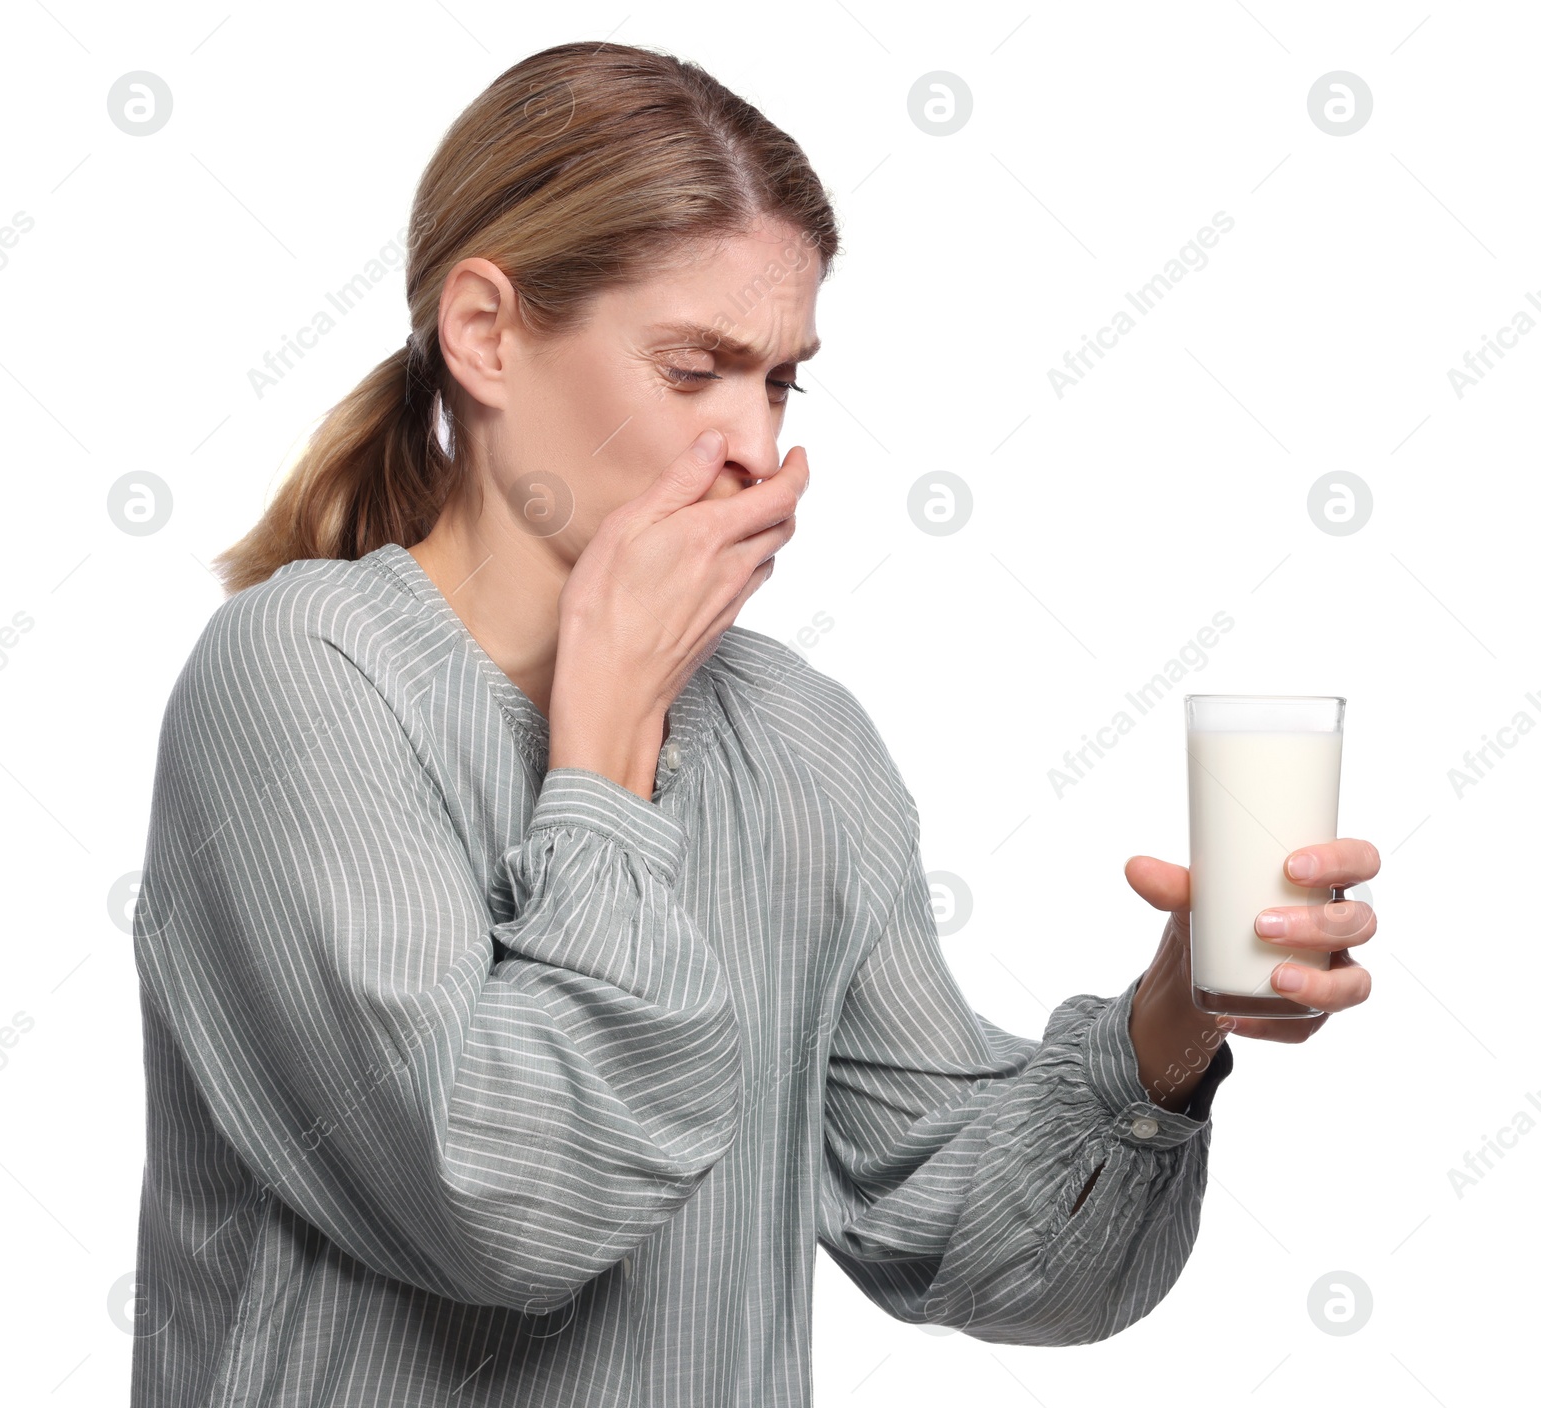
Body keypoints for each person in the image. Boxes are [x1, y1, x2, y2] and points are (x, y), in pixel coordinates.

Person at [127, 39, 1378, 1407]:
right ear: (486, 335)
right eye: (692, 370)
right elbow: (500, 1202)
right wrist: (603, 756)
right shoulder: (301, 678)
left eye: (780, 381)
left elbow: (960, 1235)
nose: (756, 449)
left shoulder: (801, 742)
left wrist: (1171, 1018)